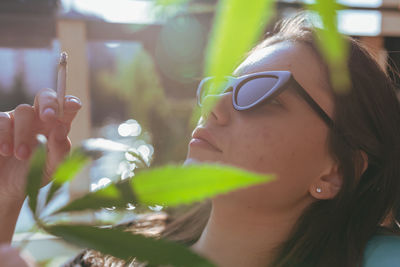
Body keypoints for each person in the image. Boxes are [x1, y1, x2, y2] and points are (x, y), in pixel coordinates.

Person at [1, 13, 400, 267]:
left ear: (335, 172)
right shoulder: (112, 255)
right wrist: (7, 195)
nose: (214, 110)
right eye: (220, 89)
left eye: (263, 95)